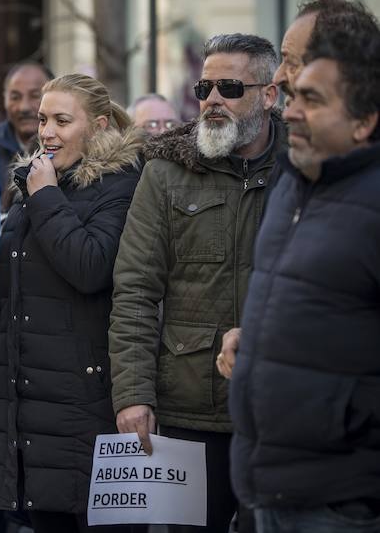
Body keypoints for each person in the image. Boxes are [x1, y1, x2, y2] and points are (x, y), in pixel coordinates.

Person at [109, 33, 284, 533]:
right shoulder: (166, 171)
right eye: (204, 86)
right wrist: (133, 395)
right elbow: (136, 290)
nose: (211, 99)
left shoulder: (303, 166)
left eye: (229, 87)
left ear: (269, 95)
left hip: (280, 410)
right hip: (189, 411)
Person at [229, 7, 380, 533]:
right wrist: (257, 343)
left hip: (343, 501)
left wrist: (340, 416)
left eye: (310, 97)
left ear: (364, 118)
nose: (289, 106)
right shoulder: (294, 178)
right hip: (267, 488)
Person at [0, 73, 143, 532]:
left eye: (62, 121)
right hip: (29, 399)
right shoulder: (33, 182)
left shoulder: (122, 185)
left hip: (85, 400)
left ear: (101, 126)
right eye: (44, 119)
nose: (46, 131)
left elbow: (90, 267)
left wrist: (47, 195)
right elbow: (9, 286)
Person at [0, 62, 54, 199]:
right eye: (15, 97)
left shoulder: (66, 147)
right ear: (4, 98)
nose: (24, 107)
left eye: (35, 95)